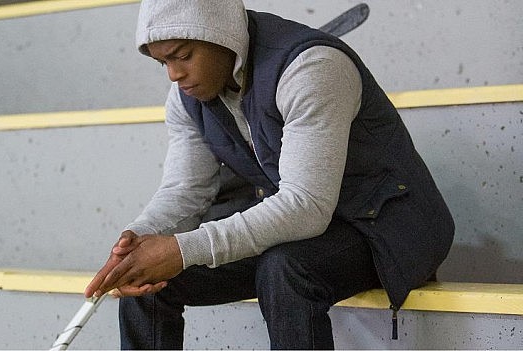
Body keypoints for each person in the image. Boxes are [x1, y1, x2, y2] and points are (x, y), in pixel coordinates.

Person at [84, 0, 455, 349]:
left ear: (221, 34)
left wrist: (182, 249)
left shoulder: (313, 67)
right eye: (162, 62)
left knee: (286, 269)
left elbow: (305, 206)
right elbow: (185, 190)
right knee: (150, 278)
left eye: (182, 56)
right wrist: (140, 240)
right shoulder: (185, 96)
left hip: (385, 226)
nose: (174, 74)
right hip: (305, 227)